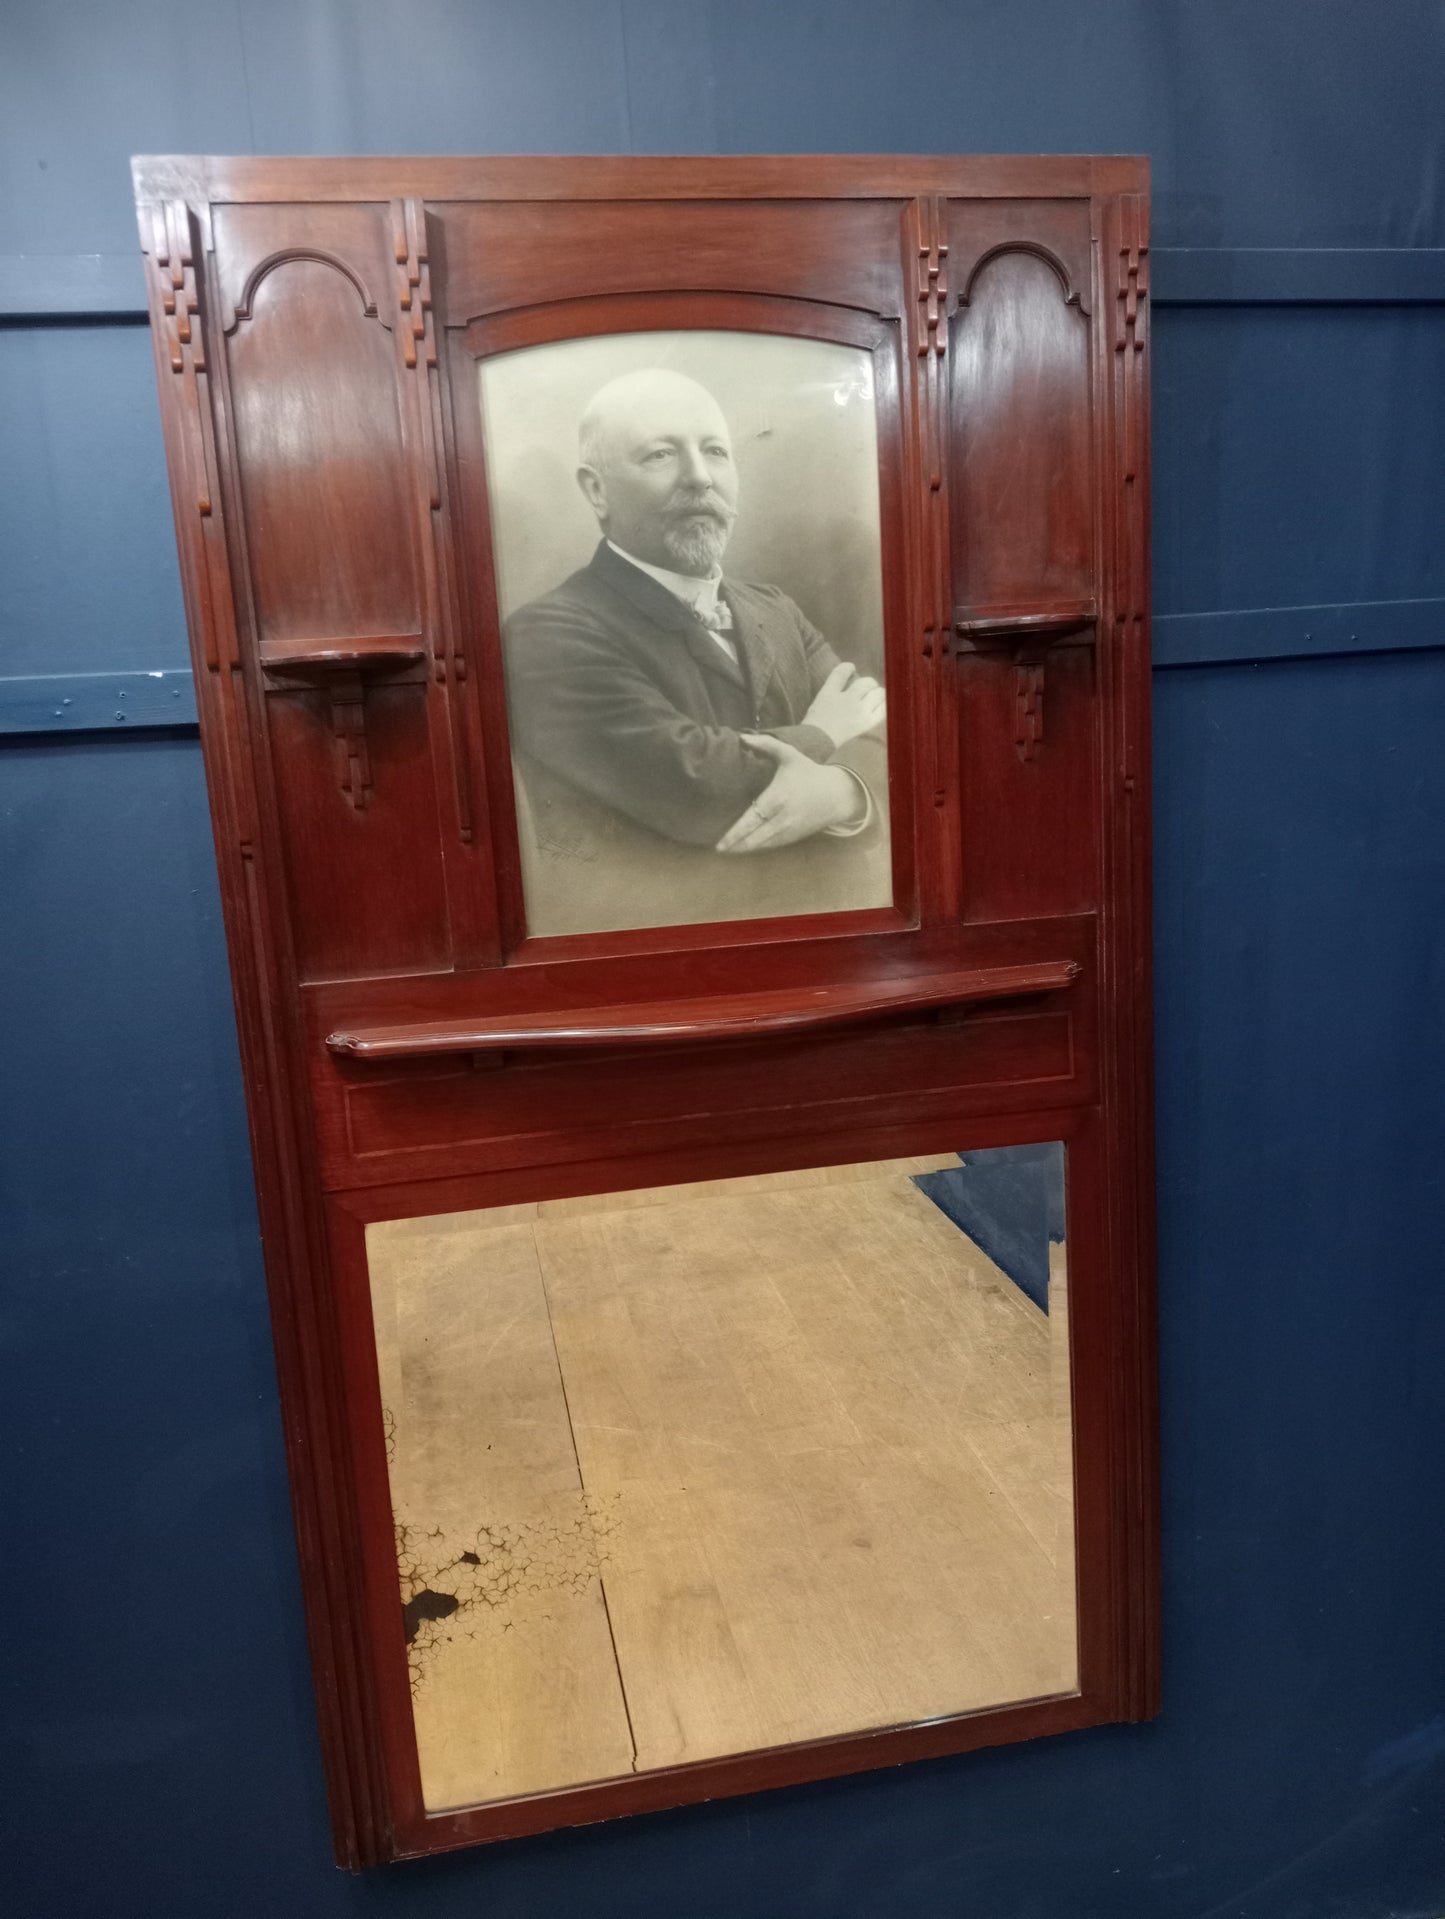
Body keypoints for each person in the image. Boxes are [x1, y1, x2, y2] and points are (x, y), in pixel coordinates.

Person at [502, 367, 889, 935]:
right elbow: (695, 785)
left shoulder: (774, 608)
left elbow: (887, 736)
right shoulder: (544, 634)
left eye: (715, 451)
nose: (700, 478)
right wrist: (824, 735)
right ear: (596, 489)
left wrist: (840, 792)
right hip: (662, 956)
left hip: (829, 939)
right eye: (661, 455)